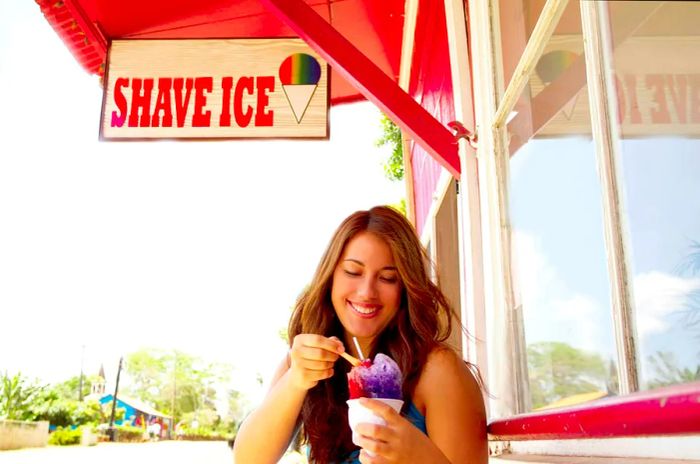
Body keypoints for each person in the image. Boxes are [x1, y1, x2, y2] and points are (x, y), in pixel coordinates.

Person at [233, 206, 487, 464]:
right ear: (330, 277)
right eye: (353, 272)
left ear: (406, 288)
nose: (367, 292)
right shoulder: (301, 364)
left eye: (388, 278)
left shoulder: (437, 369)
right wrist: (296, 380)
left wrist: (420, 457)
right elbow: (248, 460)